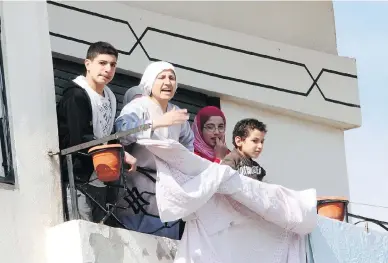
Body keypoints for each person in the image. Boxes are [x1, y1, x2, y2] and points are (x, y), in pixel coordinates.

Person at [56, 41, 137, 222]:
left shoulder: (110, 98)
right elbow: (78, 139)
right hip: (78, 178)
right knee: (82, 235)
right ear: (88, 64)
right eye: (102, 63)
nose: (108, 69)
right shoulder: (76, 94)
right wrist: (118, 154)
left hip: (101, 180)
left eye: (113, 65)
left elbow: (107, 136)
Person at [114, 61, 194, 240]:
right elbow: (122, 132)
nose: (168, 82)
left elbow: (188, 142)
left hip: (166, 186)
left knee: (166, 244)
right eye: (162, 77)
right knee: (134, 243)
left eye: (172, 78)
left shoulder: (176, 113)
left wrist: (181, 167)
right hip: (137, 184)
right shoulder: (138, 106)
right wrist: (157, 123)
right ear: (150, 81)